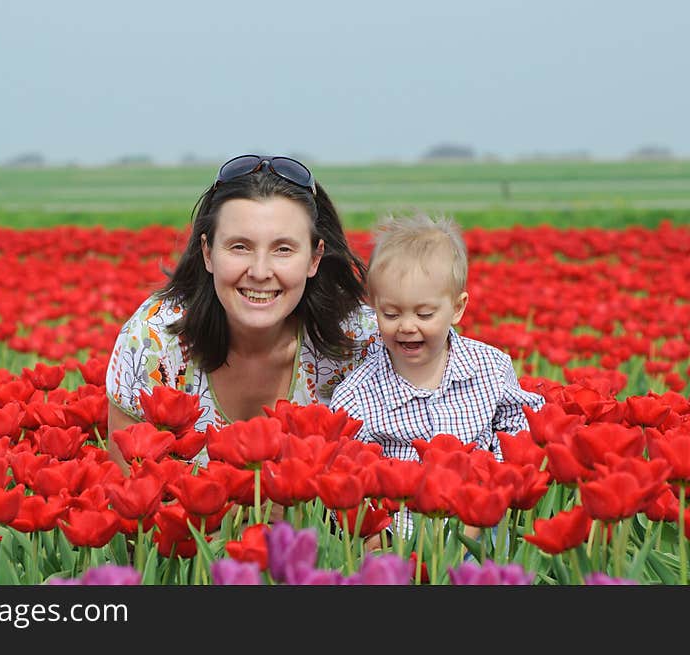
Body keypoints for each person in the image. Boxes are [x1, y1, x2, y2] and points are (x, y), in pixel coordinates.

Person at [105, 154, 381, 472]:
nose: (260, 271)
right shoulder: (154, 340)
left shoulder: (362, 341)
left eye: (283, 249)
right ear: (207, 253)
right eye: (240, 247)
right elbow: (130, 487)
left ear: (314, 259)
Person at [329, 211, 545, 542]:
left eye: (424, 313)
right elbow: (344, 473)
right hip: (399, 541)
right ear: (373, 307)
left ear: (457, 308)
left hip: (479, 527)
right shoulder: (358, 394)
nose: (407, 325)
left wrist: (492, 493)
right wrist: (371, 534)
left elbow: (521, 429)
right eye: (390, 313)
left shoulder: (489, 368)